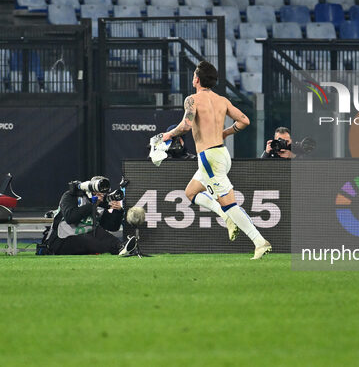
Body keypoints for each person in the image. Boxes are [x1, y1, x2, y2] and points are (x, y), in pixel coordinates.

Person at [162, 61, 272, 259]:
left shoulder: (192, 100)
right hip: (221, 153)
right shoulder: (222, 100)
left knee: (230, 204)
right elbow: (245, 120)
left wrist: (169, 135)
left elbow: (186, 125)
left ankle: (259, 241)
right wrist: (226, 133)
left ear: (196, 79)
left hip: (209, 158)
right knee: (191, 192)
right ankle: (226, 218)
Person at [49, 178, 135, 256]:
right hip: (62, 239)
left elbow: (111, 227)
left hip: (84, 237)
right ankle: (116, 248)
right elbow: (70, 218)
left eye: (104, 192)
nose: (101, 194)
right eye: (99, 190)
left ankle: (121, 247)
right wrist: (93, 205)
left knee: (98, 232)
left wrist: (118, 211)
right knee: (88, 239)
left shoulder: (100, 203)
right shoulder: (71, 196)